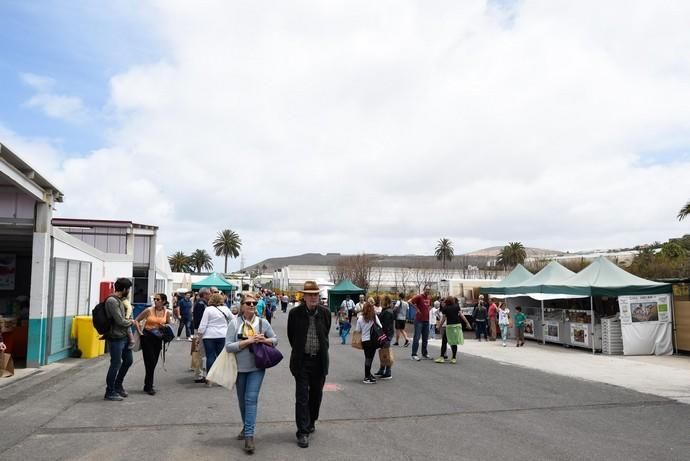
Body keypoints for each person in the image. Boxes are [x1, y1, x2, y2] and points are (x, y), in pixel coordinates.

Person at [226, 293, 278, 454]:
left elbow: (275, 340)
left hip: (257, 367)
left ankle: (249, 436)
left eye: (254, 303)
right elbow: (228, 346)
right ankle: (246, 427)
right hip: (239, 368)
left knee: (251, 399)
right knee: (242, 401)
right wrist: (247, 341)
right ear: (241, 306)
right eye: (248, 303)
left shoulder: (262, 322)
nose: (251, 305)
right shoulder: (234, 323)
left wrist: (264, 340)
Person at [287, 281, 331, 449]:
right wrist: (301, 352)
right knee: (302, 397)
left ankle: (311, 421)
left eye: (316, 294)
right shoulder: (294, 314)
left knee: (316, 396)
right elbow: (292, 336)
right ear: (303, 296)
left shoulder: (326, 313)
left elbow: (325, 334)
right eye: (310, 294)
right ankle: (302, 432)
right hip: (302, 361)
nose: (314, 297)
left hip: (319, 361)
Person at [103, 277, 136, 401]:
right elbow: (120, 321)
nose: (129, 291)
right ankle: (110, 391)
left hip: (124, 337)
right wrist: (132, 322)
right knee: (115, 364)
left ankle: (118, 385)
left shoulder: (123, 300)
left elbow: (125, 318)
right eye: (128, 289)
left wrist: (130, 337)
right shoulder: (112, 301)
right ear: (124, 289)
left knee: (128, 361)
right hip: (116, 337)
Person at [134, 293, 171, 395]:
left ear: (163, 301)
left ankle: (148, 384)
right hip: (147, 337)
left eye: (158, 299)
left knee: (153, 362)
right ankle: (149, 386)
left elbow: (168, 323)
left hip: (158, 338)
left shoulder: (166, 312)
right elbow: (136, 320)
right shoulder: (148, 310)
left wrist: (164, 326)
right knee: (149, 361)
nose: (155, 301)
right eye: (154, 299)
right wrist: (140, 333)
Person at [198, 293, 233, 376]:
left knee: (210, 356)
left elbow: (203, 325)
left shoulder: (208, 309)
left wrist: (200, 336)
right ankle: (221, 376)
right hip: (223, 335)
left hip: (209, 336)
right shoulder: (226, 309)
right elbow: (233, 320)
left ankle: (210, 377)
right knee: (221, 357)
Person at [435, 296, 471, 364]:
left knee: (444, 341)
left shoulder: (445, 308)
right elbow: (461, 315)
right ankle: (454, 358)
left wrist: (439, 327)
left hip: (450, 326)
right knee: (454, 342)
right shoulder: (457, 306)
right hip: (457, 326)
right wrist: (467, 323)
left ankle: (442, 357)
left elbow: (443, 319)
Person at [354, 300, 382, 384]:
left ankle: (368, 374)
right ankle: (366, 377)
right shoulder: (374, 316)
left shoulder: (360, 318)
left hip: (364, 340)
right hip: (373, 340)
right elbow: (380, 326)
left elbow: (357, 330)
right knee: (370, 358)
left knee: (367, 357)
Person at [408, 286, 432, 361]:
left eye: (429, 289)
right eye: (426, 289)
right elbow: (409, 301)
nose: (428, 291)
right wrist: (417, 309)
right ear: (423, 290)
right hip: (419, 320)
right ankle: (414, 354)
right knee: (417, 337)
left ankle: (424, 353)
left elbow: (429, 306)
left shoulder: (429, 298)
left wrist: (428, 311)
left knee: (425, 338)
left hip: (426, 320)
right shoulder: (419, 297)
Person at [374, 295, 395, 380]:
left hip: (385, 335)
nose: (381, 302)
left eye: (382, 300)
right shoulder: (387, 310)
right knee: (383, 352)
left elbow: (385, 326)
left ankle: (388, 371)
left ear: (385, 301)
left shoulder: (387, 312)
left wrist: (383, 335)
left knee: (386, 352)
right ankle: (382, 369)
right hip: (386, 335)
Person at [193, 288, 211, 383]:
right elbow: (201, 320)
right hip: (200, 331)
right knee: (201, 353)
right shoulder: (201, 305)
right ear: (204, 294)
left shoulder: (201, 303)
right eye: (209, 294)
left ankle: (200, 374)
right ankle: (199, 375)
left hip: (200, 330)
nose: (210, 295)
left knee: (201, 353)